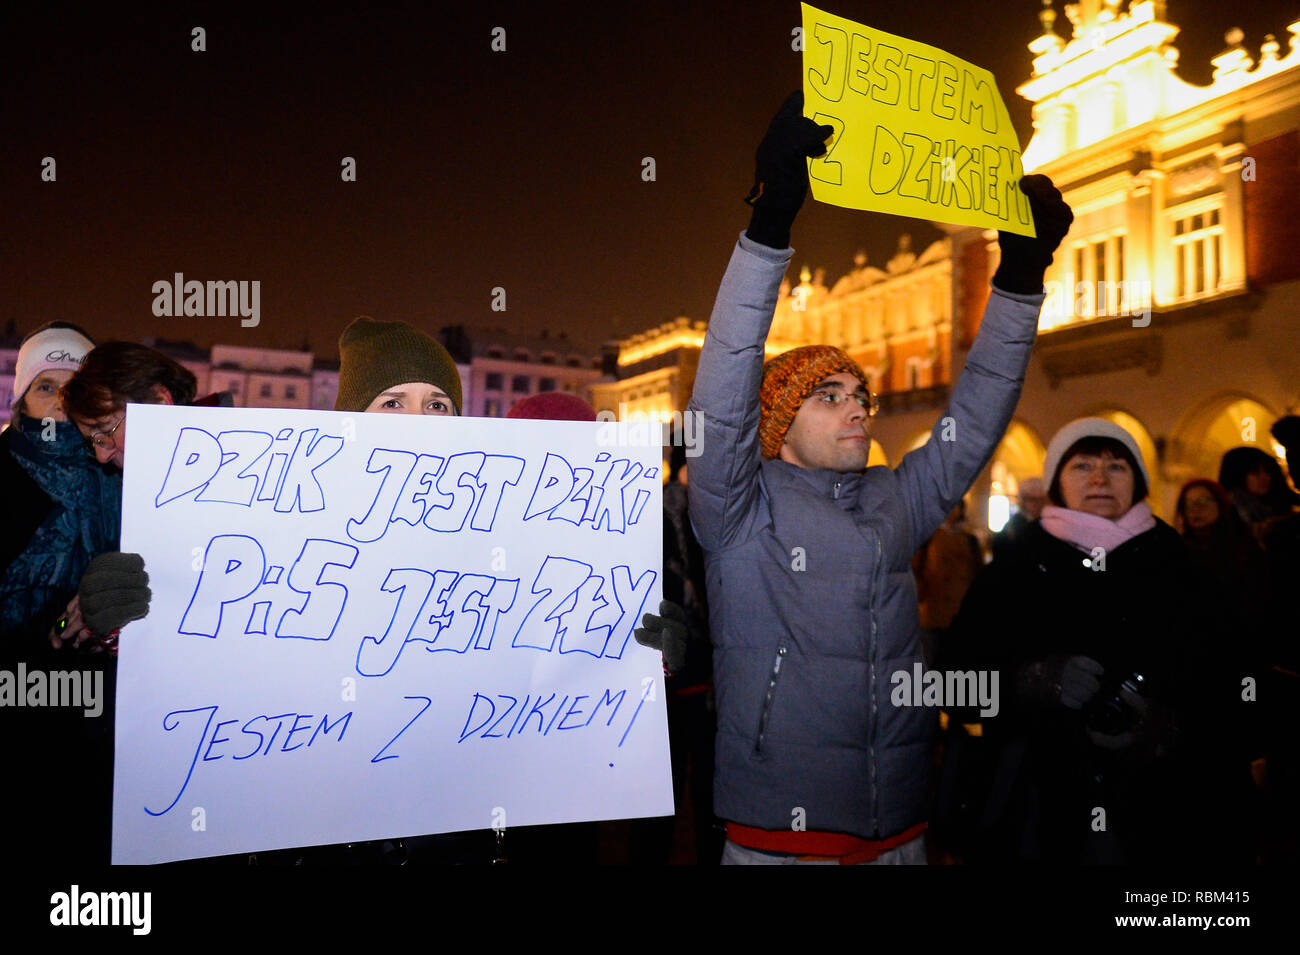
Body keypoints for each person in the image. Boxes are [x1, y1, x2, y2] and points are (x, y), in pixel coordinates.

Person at [684, 91, 1073, 864]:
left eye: (859, 394)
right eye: (828, 398)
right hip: (780, 838)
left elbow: (978, 414)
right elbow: (724, 387)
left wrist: (1020, 281)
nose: (857, 408)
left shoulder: (897, 498)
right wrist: (769, 228)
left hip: (903, 829)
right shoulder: (735, 511)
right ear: (779, 425)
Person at [938, 418, 1257, 864]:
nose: (1100, 479)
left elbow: (1241, 678)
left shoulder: (1181, 565)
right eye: (1082, 465)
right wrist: (1034, 682)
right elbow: (950, 680)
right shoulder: (1015, 568)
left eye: (1117, 467)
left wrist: (1174, 731)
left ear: (1139, 483)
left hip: (1166, 809)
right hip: (1039, 808)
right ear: (1056, 483)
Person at [0, 322, 124, 866]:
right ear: (21, 399)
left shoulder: (123, 475)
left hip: (108, 728)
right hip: (19, 719)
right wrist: (57, 629)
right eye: (43, 386)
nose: (56, 404)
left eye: (71, 388)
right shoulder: (2, 474)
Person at [1217, 445, 1297, 545]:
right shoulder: (1225, 515)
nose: (1264, 477)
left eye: (1267, 471)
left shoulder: (1281, 508)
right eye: (1255, 472)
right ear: (1238, 475)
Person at [990, 476, 1045, 563]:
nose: (1038, 504)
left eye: (1042, 499)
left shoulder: (1050, 526)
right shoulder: (1011, 529)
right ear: (1022, 501)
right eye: (1032, 499)